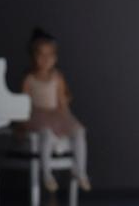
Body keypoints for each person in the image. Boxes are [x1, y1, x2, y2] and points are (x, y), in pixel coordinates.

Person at [16, 27, 91, 193]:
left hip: (56, 114)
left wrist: (68, 120)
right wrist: (20, 124)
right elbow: (23, 103)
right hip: (37, 115)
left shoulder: (57, 77)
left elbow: (62, 103)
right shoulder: (29, 78)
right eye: (41, 55)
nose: (45, 59)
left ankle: (80, 171)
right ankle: (47, 174)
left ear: (55, 57)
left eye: (49, 55)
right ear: (33, 56)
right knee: (46, 134)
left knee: (79, 132)